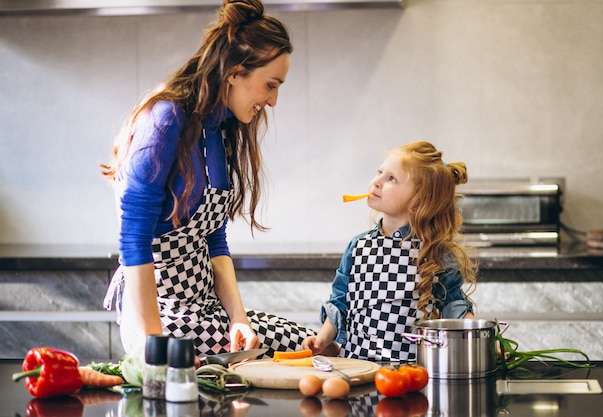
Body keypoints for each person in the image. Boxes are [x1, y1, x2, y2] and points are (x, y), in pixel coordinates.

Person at [101, 0, 318, 358]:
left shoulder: (220, 128)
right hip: (163, 315)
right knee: (302, 357)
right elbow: (133, 237)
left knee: (313, 345)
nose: (274, 100)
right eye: (271, 85)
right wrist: (153, 346)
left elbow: (214, 239)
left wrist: (239, 320)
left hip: (205, 309)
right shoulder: (167, 118)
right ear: (234, 73)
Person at [302, 141, 477, 362]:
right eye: (380, 172)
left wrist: (483, 337)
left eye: (391, 179)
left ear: (418, 201)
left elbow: (454, 306)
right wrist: (322, 339)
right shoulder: (358, 247)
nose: (376, 182)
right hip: (356, 367)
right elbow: (339, 302)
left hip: (410, 372)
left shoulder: (436, 254)